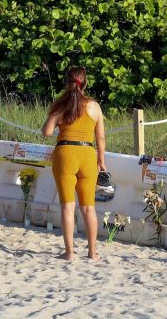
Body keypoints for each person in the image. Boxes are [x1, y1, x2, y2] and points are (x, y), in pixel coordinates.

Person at [42, 66, 107, 261]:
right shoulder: (94, 106)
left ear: (67, 82)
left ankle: (69, 253)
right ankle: (92, 252)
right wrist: (101, 161)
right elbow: (101, 138)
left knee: (67, 207)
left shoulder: (62, 104)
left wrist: (55, 113)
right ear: (85, 83)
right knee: (88, 207)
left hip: (65, 154)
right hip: (87, 154)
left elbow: (46, 132)